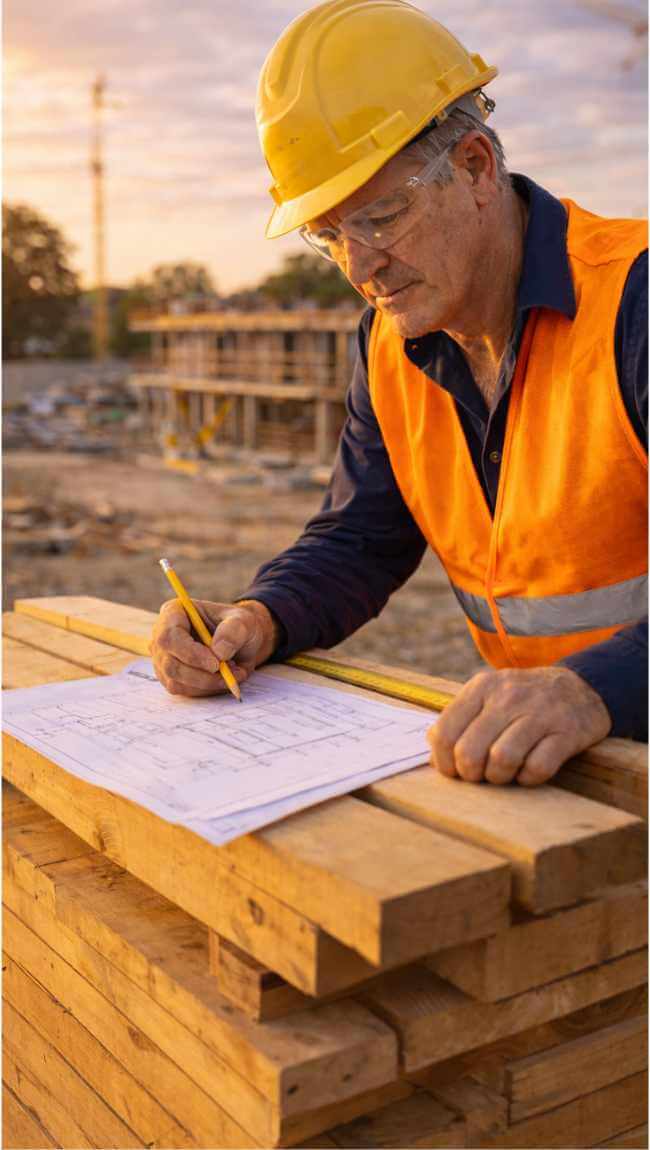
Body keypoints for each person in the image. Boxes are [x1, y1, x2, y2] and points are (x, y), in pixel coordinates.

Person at [152, 0, 648, 787]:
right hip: (558, 759)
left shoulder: (634, 304)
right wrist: (261, 615)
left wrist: (595, 688)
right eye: (328, 236)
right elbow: (361, 538)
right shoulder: (388, 345)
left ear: (476, 167)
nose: (359, 266)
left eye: (381, 218)